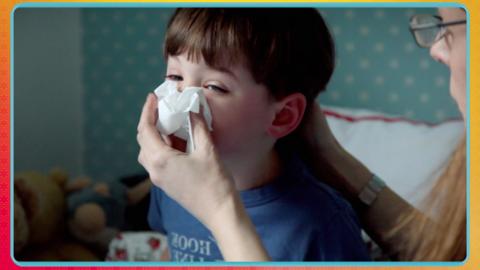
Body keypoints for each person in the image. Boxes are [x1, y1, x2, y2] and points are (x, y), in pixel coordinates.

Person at [137, 7, 466, 261]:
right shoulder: (170, 186)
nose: (182, 100)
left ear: (282, 115)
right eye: (175, 77)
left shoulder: (321, 226)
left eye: (214, 87)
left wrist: (219, 209)